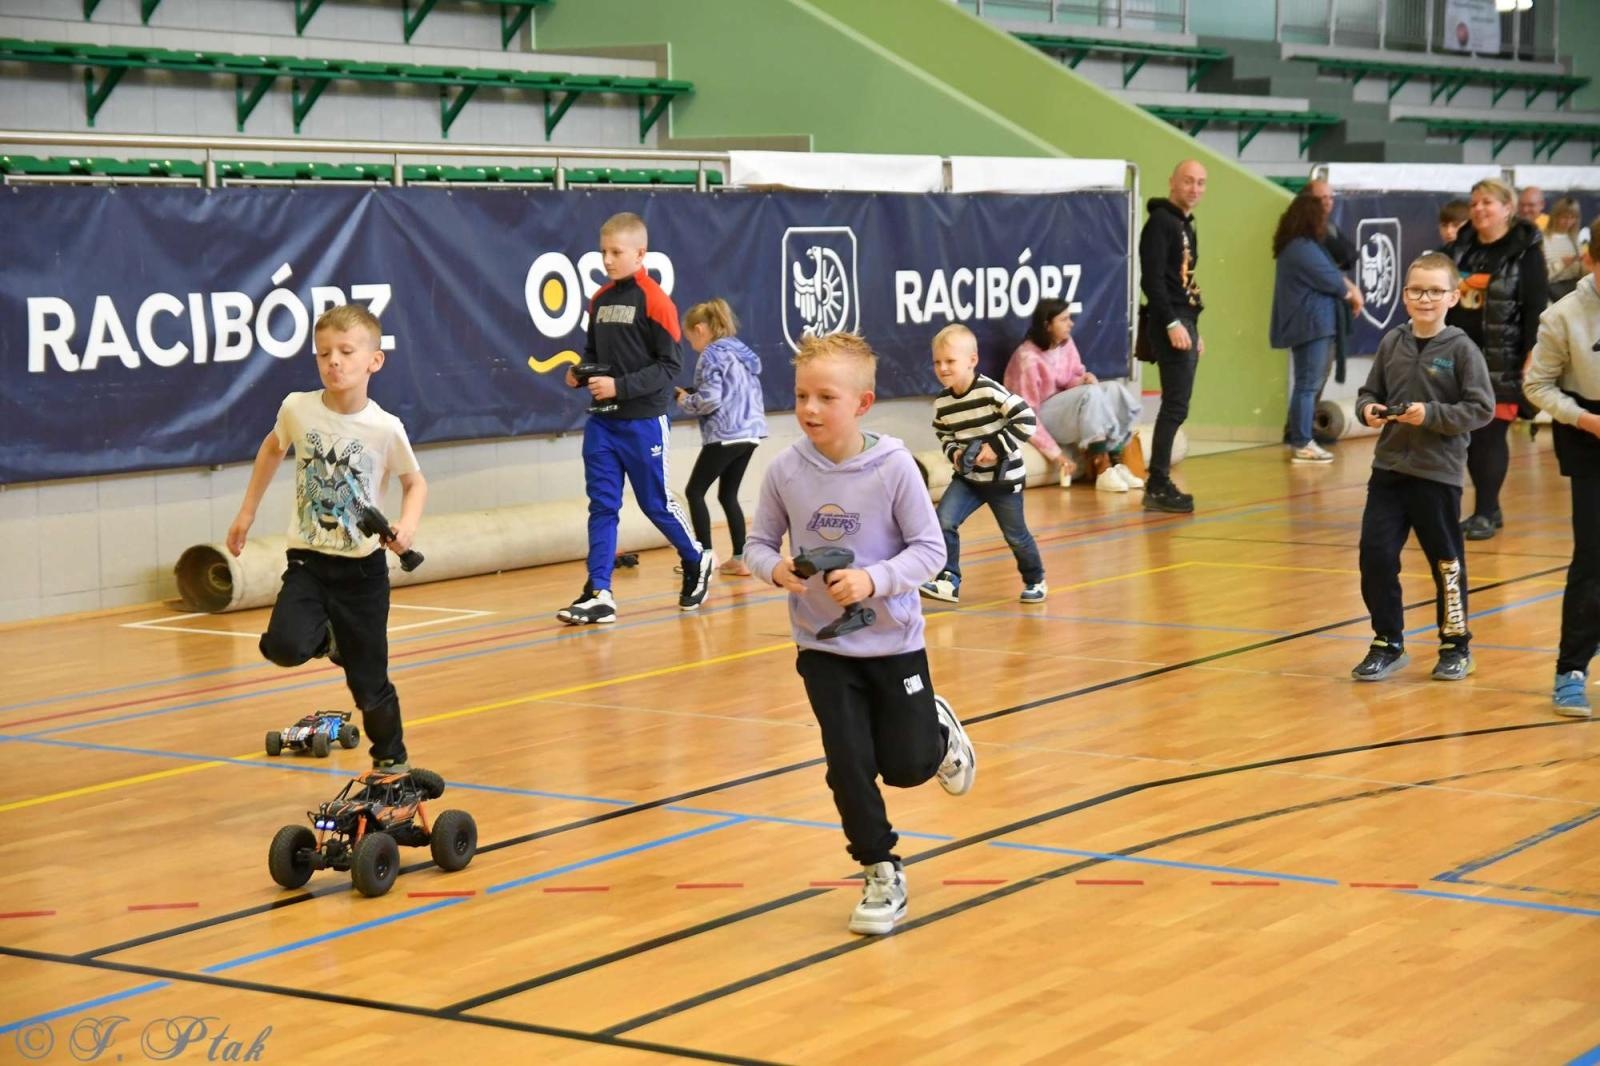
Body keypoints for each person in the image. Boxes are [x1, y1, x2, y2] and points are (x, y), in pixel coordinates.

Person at [743, 331, 977, 937]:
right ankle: (879, 869)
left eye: (826, 396)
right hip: (823, 646)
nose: (810, 409)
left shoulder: (895, 468)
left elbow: (931, 551)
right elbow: (757, 543)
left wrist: (874, 581)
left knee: (904, 766)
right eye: (801, 396)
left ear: (863, 404)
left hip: (894, 643)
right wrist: (776, 570)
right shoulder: (786, 471)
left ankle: (937, 733)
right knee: (846, 763)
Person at [226, 304, 427, 772]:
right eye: (323, 353)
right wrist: (246, 512)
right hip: (309, 563)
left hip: (362, 575)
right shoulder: (298, 408)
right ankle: (328, 641)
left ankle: (391, 759)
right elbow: (272, 449)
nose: (332, 361)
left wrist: (407, 526)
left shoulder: (384, 428)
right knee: (281, 646)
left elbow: (415, 483)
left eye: (345, 351)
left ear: (374, 361)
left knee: (369, 681)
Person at [558, 211, 713, 625]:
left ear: (640, 253)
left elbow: (669, 367)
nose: (607, 260)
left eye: (615, 252)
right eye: (603, 252)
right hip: (602, 423)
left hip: (643, 422)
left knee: (655, 503)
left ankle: (696, 557)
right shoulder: (600, 300)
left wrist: (620, 387)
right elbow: (593, 352)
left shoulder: (656, 301)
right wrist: (581, 372)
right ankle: (599, 591)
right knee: (602, 506)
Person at [1351, 252, 1494, 683]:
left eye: (1434, 291)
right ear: (1405, 295)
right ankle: (1387, 641)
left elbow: (1481, 408)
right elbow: (1366, 392)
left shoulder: (1463, 350)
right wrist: (1368, 411)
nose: (1424, 298)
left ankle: (1455, 644)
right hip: (1389, 471)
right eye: (1416, 290)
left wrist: (1429, 415)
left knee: (1446, 563)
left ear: (1453, 296)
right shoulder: (1392, 341)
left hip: (1437, 474)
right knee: (1375, 555)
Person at [1445, 178, 1549, 540]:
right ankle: (1491, 507)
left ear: (1508, 208)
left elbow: (1537, 307)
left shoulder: (1526, 251)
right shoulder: (1459, 249)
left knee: (1489, 435)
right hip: (1460, 356)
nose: (1478, 210)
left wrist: (1532, 356)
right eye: (1474, 203)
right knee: (1470, 436)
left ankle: (1486, 511)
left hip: (1504, 358)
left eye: (1487, 203)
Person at [1523, 228, 1600, 715]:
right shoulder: (1563, 315)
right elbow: (1537, 385)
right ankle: (1571, 668)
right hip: (1589, 436)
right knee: (1592, 560)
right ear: (1592, 258)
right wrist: (1585, 419)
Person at [922, 324, 1047, 605]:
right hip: (969, 480)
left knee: (1015, 536)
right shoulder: (942, 403)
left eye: (950, 361)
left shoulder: (990, 392)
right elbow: (944, 433)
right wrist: (954, 452)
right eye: (937, 362)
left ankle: (1035, 579)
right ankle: (948, 580)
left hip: (1003, 480)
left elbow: (1026, 419)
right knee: (943, 521)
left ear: (972, 361)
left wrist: (996, 448)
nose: (942, 368)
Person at [1003, 298, 1143, 493]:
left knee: (1112, 389)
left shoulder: (1066, 344)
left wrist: (1082, 380)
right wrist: (1056, 455)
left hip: (1066, 411)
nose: (1071, 324)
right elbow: (1025, 415)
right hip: (1042, 419)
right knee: (1091, 394)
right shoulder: (1027, 359)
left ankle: (1116, 461)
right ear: (1047, 325)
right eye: (1064, 319)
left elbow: (1072, 377)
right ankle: (1102, 468)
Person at [674, 298, 766, 578]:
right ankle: (741, 557)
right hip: (751, 432)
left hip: (726, 432)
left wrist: (686, 401)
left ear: (700, 329)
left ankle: (705, 556)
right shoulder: (740, 352)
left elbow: (712, 398)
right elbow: (728, 389)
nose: (691, 344)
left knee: (694, 491)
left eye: (690, 338)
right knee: (728, 494)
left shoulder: (712, 354)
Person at [1271, 194, 1363, 463]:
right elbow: (1332, 279)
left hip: (1313, 323)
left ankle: (1301, 438)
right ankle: (1302, 441)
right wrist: (1352, 294)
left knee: (1307, 384)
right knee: (1308, 385)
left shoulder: (1298, 245)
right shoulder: (1301, 247)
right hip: (1311, 323)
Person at [1139, 159, 1207, 513]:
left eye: (1201, 183)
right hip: (1171, 321)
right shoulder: (1160, 224)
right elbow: (1152, 281)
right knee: (1175, 405)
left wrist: (1194, 327)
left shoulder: (1185, 224)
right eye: (1188, 181)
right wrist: (1171, 323)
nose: (1194, 189)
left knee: (1178, 404)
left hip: (1185, 320)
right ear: (1173, 182)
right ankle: (1158, 482)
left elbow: (1184, 280)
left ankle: (1159, 480)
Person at [1544, 197, 1585, 302]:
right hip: (1552, 294)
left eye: (1572, 218)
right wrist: (1562, 264)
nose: (1568, 222)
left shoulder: (1575, 239)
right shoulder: (1544, 240)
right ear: (1555, 217)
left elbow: (1581, 272)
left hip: (1574, 290)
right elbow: (1540, 276)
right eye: (1564, 217)